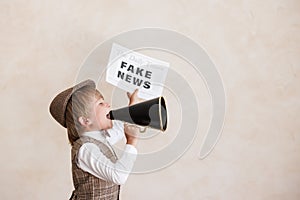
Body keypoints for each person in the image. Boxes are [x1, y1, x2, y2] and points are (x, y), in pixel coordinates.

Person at [49, 79, 141, 200]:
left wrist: (133, 105)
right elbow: (119, 176)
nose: (108, 104)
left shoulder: (99, 138)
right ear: (86, 121)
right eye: (101, 103)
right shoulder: (86, 149)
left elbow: (122, 127)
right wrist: (132, 142)